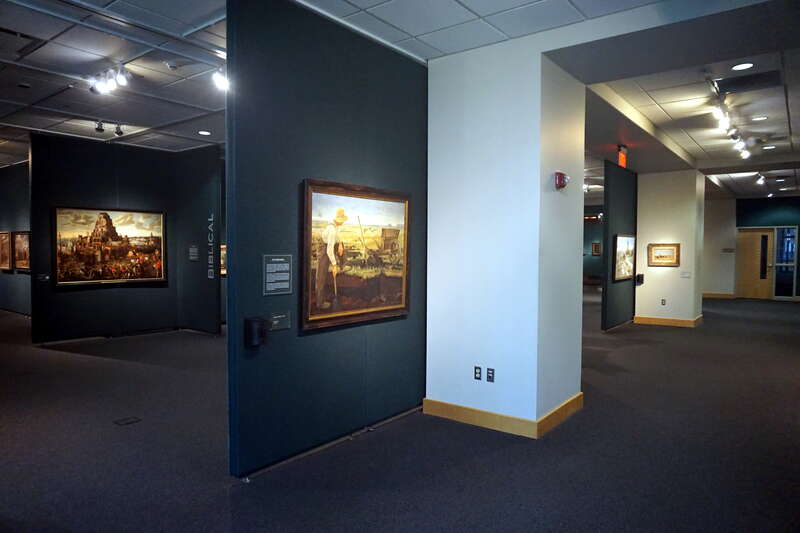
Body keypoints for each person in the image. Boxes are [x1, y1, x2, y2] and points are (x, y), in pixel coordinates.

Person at [315, 208, 347, 310]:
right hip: (325, 250)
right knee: (320, 277)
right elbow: (329, 250)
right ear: (338, 220)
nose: (343, 222)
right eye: (342, 220)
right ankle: (319, 303)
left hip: (332, 246)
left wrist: (341, 244)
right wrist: (333, 265)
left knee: (343, 247)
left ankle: (342, 266)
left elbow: (339, 236)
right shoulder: (332, 229)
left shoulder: (336, 226)